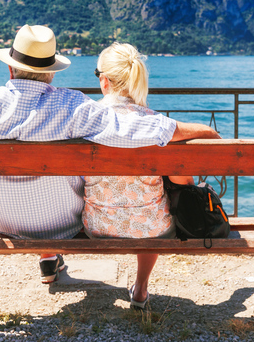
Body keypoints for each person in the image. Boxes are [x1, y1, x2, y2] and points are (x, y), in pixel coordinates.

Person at [0, 24, 219, 286]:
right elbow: (131, 130)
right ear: (52, 72)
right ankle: (52, 253)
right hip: (62, 228)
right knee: (79, 186)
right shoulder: (71, 106)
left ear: (10, 66)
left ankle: (48, 260)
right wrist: (195, 130)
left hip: (0, 222)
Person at [82, 42, 208, 310]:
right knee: (152, 209)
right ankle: (140, 289)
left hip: (96, 227)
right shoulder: (158, 124)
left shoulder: (82, 120)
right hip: (153, 231)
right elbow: (206, 144)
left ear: (104, 81)